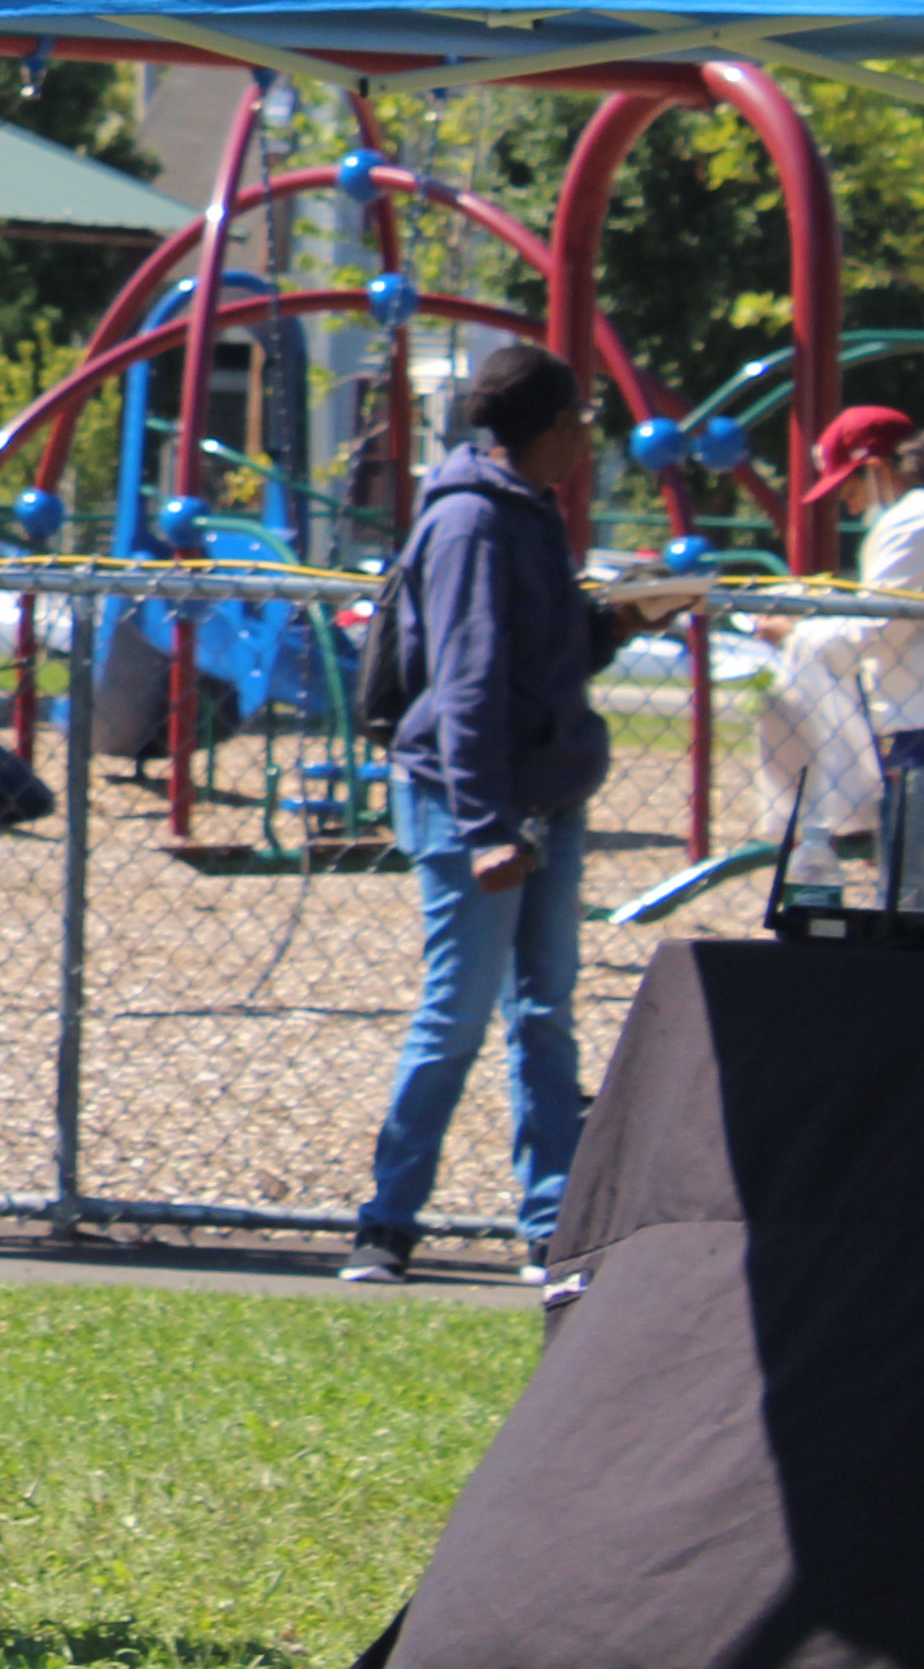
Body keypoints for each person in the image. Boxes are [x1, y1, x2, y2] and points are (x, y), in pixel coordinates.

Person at [341, 340, 646, 1289]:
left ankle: (553, 1229)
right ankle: (386, 1227)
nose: (587, 444)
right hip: (471, 804)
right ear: (552, 428)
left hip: (544, 797)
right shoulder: (475, 519)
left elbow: (536, 670)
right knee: (457, 1015)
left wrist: (614, 627)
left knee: (547, 1014)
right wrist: (484, 829)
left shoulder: (530, 514)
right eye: (582, 425)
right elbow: (467, 686)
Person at [761, 405, 924, 826]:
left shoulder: (915, 520)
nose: (851, 509)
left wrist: (798, 632)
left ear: (876, 470)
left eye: (849, 492)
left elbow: (879, 630)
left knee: (921, 878)